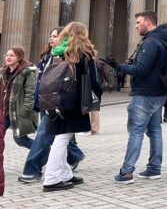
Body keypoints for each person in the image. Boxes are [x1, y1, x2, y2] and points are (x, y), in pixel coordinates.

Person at [106, 11, 167, 184]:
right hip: (159, 93)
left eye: (138, 22)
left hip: (144, 93)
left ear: (148, 22)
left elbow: (141, 70)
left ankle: (126, 172)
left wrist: (117, 66)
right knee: (155, 131)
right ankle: (154, 168)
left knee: (136, 132)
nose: (136, 26)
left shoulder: (150, 43)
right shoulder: (164, 40)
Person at [42, 21, 103, 192]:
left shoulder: (56, 52)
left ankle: (65, 174)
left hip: (55, 99)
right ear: (83, 34)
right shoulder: (82, 53)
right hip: (73, 101)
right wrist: (97, 96)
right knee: (62, 139)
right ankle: (52, 178)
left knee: (62, 137)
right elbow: (92, 81)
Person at [18, 28, 85, 183]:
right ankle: (75, 156)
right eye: (51, 36)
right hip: (44, 100)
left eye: (55, 36)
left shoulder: (65, 56)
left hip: (55, 102)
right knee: (57, 134)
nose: (51, 39)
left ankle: (32, 170)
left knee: (43, 135)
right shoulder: (48, 56)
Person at [2, 47, 37, 150]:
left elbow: (30, 93)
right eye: (7, 55)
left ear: (19, 58)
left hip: (18, 111)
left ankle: (43, 152)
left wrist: (25, 109)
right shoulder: (3, 72)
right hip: (4, 111)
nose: (8, 57)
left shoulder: (27, 72)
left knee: (20, 139)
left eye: (12, 55)